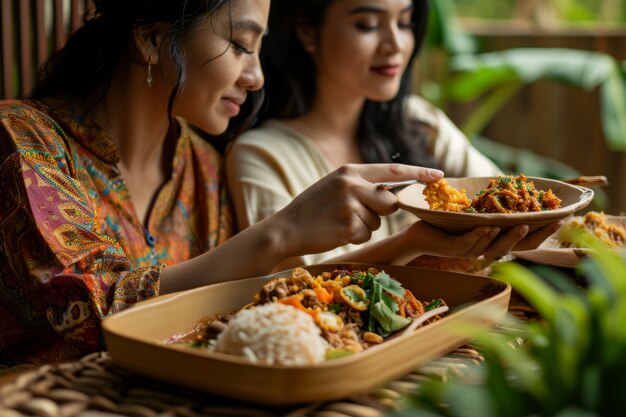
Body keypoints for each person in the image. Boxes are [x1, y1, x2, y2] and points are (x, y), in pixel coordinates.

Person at [0, 0, 554, 367]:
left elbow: (244, 308)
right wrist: (280, 232)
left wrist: (411, 246)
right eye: (241, 45)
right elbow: (88, 315)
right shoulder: (22, 141)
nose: (257, 74)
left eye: (260, 49)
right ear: (149, 40)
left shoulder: (201, 166)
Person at [226, 0, 518, 268]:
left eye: (404, 23)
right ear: (308, 31)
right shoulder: (262, 155)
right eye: (367, 25)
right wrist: (411, 244)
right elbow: (302, 288)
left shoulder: (419, 121)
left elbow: (505, 202)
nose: (395, 44)